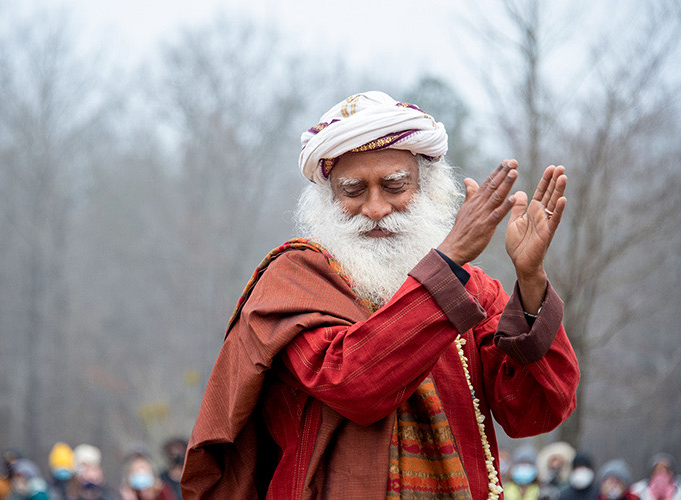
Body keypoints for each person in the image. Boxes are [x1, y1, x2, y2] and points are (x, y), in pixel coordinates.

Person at [182, 90, 580, 499]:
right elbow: (352, 384)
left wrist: (531, 280)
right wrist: (450, 260)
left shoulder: (473, 289)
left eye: (394, 186)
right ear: (328, 198)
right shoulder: (295, 279)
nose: (375, 208)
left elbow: (533, 412)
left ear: (427, 188)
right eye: (354, 190)